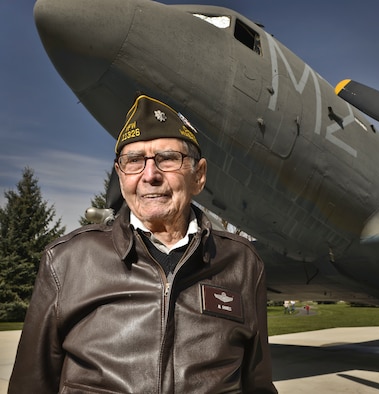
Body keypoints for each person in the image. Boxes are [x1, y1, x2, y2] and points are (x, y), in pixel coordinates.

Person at [8, 94, 277, 393]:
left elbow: (258, 385)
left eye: (168, 158)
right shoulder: (66, 260)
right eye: (134, 161)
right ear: (121, 176)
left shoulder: (243, 263)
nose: (150, 175)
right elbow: (30, 385)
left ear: (198, 175)